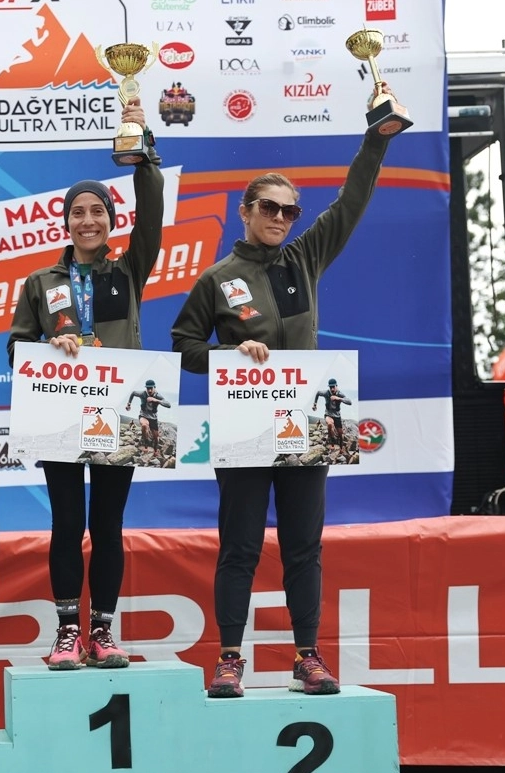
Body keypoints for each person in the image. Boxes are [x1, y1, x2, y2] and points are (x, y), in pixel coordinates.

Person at [170, 86, 396, 698]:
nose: (279, 218)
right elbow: (183, 346)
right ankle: (229, 659)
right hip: (244, 428)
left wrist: (375, 142)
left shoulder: (305, 258)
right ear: (245, 211)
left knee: (303, 548)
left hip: (306, 425)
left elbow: (351, 202)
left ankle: (306, 656)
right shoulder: (216, 279)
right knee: (239, 548)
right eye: (268, 207)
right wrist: (227, 354)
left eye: (289, 211)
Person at [8, 98, 164, 670]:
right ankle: (67, 632)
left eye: (98, 211)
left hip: (118, 416)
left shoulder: (128, 270)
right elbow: (16, 346)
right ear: (66, 222)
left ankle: (102, 631)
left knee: (108, 524)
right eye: (78, 212)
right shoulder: (40, 281)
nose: (88, 221)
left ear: (111, 220)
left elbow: (153, 214)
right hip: (60, 416)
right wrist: (47, 348)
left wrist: (143, 150)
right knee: (68, 523)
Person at [125, 379, 171, 454]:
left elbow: (168, 405)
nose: (149, 390)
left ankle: (155, 450)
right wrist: (129, 404)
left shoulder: (157, 396)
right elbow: (133, 393)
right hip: (143, 415)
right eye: (148, 388)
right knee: (144, 425)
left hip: (153, 418)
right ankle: (146, 446)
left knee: (156, 438)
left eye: (151, 388)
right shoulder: (142, 394)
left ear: (154, 387)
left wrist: (155, 400)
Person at [312, 378, 352, 453]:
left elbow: (350, 402)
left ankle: (341, 448)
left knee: (340, 434)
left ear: (336, 386)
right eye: (331, 387)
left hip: (337, 416)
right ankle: (332, 444)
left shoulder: (340, 394)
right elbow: (318, 393)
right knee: (330, 424)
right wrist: (315, 404)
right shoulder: (326, 393)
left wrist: (338, 398)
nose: (332, 389)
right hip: (328, 414)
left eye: (333, 387)